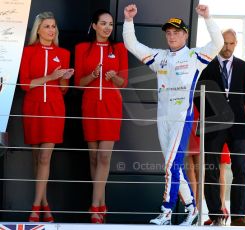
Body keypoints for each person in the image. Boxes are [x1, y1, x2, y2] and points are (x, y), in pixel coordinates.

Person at [123, 4, 223, 226]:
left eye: (176, 32)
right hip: (163, 118)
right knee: (173, 165)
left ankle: (166, 212)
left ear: (185, 34)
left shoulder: (195, 56)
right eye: (168, 32)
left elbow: (218, 43)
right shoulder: (160, 57)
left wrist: (208, 18)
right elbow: (132, 45)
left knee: (170, 165)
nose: (171, 36)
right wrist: (128, 21)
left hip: (182, 117)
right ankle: (192, 209)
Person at [74, 9, 128, 223]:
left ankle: (95, 205)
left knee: (105, 157)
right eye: (103, 23)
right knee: (94, 158)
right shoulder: (82, 49)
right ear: (94, 25)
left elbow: (124, 82)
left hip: (111, 107)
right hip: (90, 107)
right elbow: (78, 83)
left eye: (110, 24)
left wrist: (114, 77)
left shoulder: (120, 49)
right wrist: (93, 75)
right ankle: (102, 203)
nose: (107, 27)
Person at [19, 11, 73, 222]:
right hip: (33, 108)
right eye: (47, 26)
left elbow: (63, 90)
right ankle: (45, 203)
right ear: (38, 30)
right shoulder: (27, 52)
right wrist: (51, 76)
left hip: (54, 109)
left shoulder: (64, 53)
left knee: (44, 157)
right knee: (36, 158)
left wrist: (63, 79)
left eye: (54, 26)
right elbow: (25, 84)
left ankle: (35, 207)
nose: (52, 30)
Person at [196, 28, 245, 226]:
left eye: (230, 43)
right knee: (211, 169)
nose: (227, 48)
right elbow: (198, 96)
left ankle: (238, 216)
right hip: (213, 124)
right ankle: (215, 214)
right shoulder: (206, 66)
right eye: (223, 43)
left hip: (238, 125)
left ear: (236, 44)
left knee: (240, 169)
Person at [185, 106, 231, 225]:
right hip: (198, 116)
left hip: (208, 119)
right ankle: (199, 208)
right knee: (193, 168)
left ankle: (216, 207)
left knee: (210, 169)